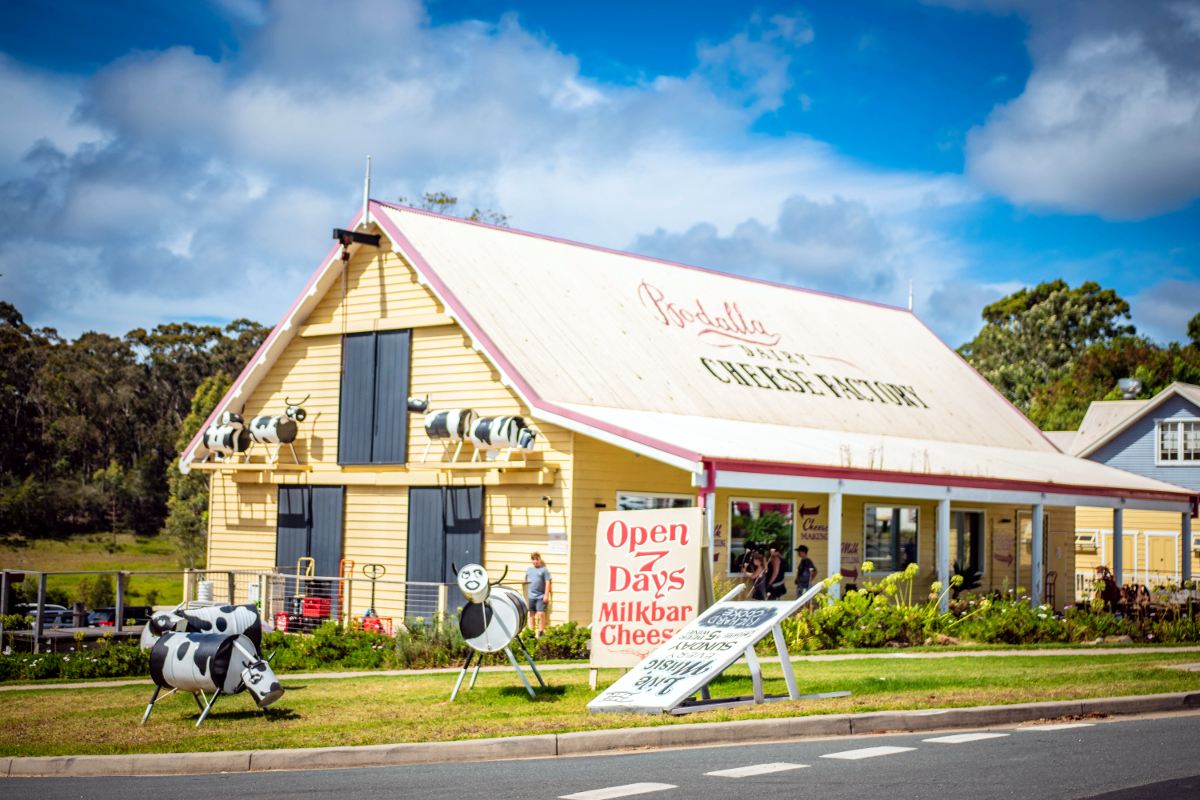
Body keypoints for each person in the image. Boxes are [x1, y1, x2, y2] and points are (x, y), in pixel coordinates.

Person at [525, 552, 552, 636]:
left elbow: (547, 582)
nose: (535, 561)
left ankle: (541, 631)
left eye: (537, 559)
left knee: (541, 613)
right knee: (531, 614)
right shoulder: (529, 570)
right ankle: (532, 632)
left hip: (540, 596)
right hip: (530, 596)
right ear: (532, 561)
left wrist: (546, 595)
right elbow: (525, 581)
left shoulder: (544, 570)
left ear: (540, 559)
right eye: (533, 559)